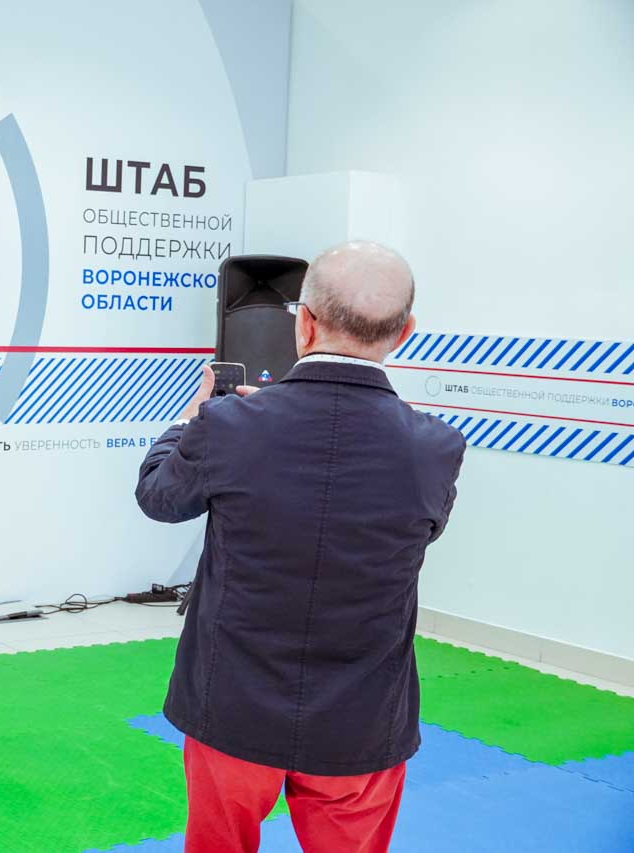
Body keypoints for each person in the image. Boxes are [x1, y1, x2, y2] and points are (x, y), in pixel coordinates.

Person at [135, 241, 465, 853]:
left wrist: (191, 419)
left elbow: (159, 497)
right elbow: (424, 529)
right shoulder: (435, 446)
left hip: (231, 705)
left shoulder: (227, 426)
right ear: (405, 332)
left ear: (304, 324)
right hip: (363, 718)